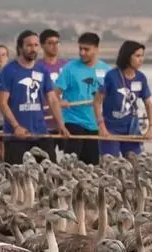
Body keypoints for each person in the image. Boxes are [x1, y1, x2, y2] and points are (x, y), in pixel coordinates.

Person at [0, 30, 63, 164]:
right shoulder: (8, 71)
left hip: (41, 133)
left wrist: (61, 124)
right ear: (20, 48)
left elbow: (53, 99)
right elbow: (2, 103)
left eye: (36, 45)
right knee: (19, 177)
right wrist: (16, 126)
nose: (33, 49)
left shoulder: (42, 70)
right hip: (16, 137)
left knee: (50, 173)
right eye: (29, 45)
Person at [55, 32, 110, 165]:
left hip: (94, 123)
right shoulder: (70, 68)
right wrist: (59, 101)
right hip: (73, 121)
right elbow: (54, 94)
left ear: (96, 49)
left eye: (86, 49)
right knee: (71, 164)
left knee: (92, 165)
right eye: (80, 49)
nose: (82, 53)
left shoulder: (107, 70)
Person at [96, 40, 152, 157]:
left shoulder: (141, 77)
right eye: (137, 56)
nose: (141, 59)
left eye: (142, 56)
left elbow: (148, 104)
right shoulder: (111, 76)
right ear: (127, 56)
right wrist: (101, 126)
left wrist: (151, 127)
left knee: (137, 163)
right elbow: (97, 102)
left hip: (132, 129)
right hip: (111, 130)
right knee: (111, 163)